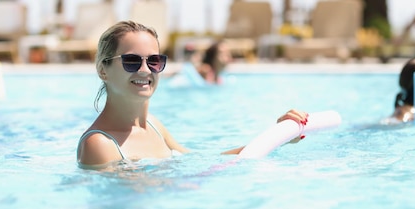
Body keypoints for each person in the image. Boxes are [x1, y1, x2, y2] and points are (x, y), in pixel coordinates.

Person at [76, 21, 308, 169]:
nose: (145, 70)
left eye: (154, 61)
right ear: (102, 70)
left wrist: (276, 138)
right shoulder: (99, 145)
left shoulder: (154, 126)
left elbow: (203, 161)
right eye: (131, 60)